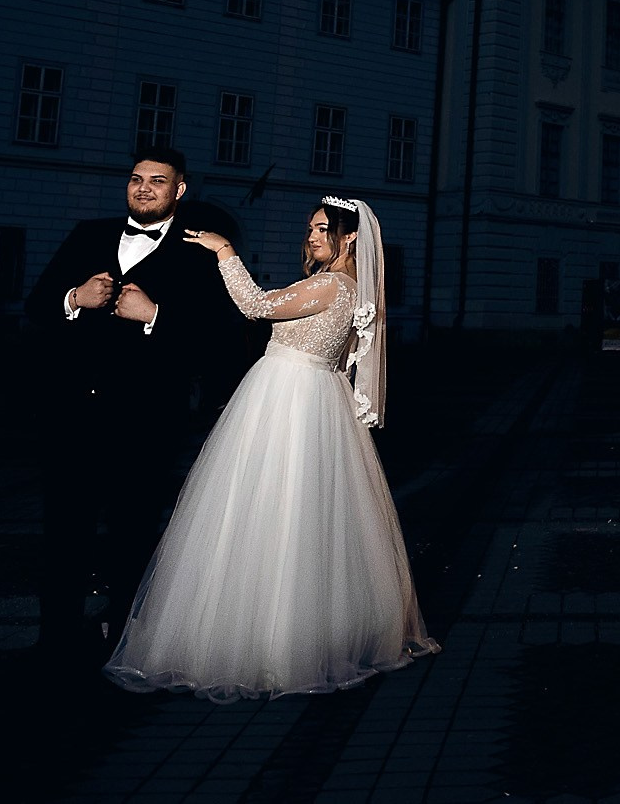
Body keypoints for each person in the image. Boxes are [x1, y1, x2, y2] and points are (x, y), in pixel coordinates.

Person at [104, 196, 435, 700]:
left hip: (290, 398)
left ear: (350, 237)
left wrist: (224, 251)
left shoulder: (331, 285)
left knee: (274, 509)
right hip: (306, 395)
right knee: (288, 512)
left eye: (322, 229)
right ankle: (288, 632)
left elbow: (256, 306)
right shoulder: (345, 287)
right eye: (310, 228)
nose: (312, 236)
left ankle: (276, 644)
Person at [28, 147, 253, 662]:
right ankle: (55, 641)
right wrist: (72, 298)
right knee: (64, 530)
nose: (143, 188)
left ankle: (127, 640)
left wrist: (156, 316)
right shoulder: (88, 235)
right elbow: (37, 305)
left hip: (146, 421)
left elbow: (220, 342)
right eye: (136, 179)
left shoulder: (200, 253)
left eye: (157, 180)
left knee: (132, 532)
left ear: (180, 190)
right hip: (71, 418)